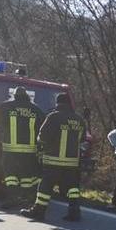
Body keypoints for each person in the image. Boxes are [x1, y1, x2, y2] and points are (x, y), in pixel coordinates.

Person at [21, 93, 86, 221]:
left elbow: (42, 137)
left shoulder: (53, 116)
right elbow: (83, 139)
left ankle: (39, 211)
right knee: (72, 187)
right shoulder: (79, 119)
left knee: (45, 186)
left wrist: (41, 144)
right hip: (72, 162)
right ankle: (74, 211)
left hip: (53, 160)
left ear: (57, 103)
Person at [0, 86, 44, 209]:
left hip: (10, 149)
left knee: (10, 175)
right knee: (27, 175)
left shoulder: (5, 107)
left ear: (14, 95)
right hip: (29, 150)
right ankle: (27, 198)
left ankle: (12, 198)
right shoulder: (36, 109)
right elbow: (42, 129)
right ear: (27, 96)